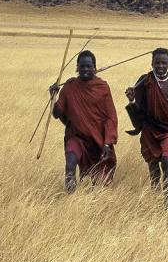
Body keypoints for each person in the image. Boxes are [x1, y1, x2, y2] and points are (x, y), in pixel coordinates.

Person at [49, 50, 118, 193]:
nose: (85, 69)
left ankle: (91, 203)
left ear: (94, 67)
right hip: (76, 137)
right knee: (70, 165)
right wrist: (53, 96)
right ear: (77, 68)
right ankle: (70, 197)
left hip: (98, 140)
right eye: (82, 66)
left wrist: (107, 142)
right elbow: (57, 114)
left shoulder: (102, 87)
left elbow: (111, 117)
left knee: (98, 183)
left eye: (88, 66)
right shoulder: (69, 87)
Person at [125, 47, 168, 196]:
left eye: (164, 63)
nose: (160, 66)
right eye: (157, 63)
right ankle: (155, 195)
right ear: (151, 63)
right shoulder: (144, 81)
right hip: (150, 129)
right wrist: (132, 100)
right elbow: (139, 109)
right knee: (153, 164)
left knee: (166, 161)